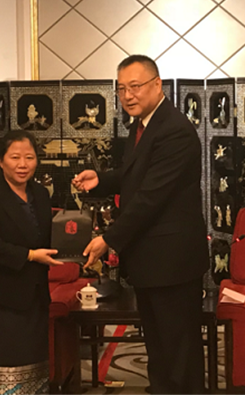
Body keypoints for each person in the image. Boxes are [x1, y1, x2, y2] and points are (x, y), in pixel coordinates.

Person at [72, 55, 209, 394]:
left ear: (157, 84)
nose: (128, 95)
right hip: (152, 260)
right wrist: (101, 180)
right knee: (159, 346)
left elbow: (151, 196)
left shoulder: (174, 129)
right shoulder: (142, 124)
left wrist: (109, 238)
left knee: (178, 349)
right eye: (121, 89)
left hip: (173, 262)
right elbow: (136, 174)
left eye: (135, 86)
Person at [0, 130, 62, 395]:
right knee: (0, 367)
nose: (23, 164)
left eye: (29, 157)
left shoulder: (40, 194)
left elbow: (48, 236)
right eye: (15, 157)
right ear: (0, 161)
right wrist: (30, 255)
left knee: (33, 367)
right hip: (0, 298)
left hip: (34, 295)